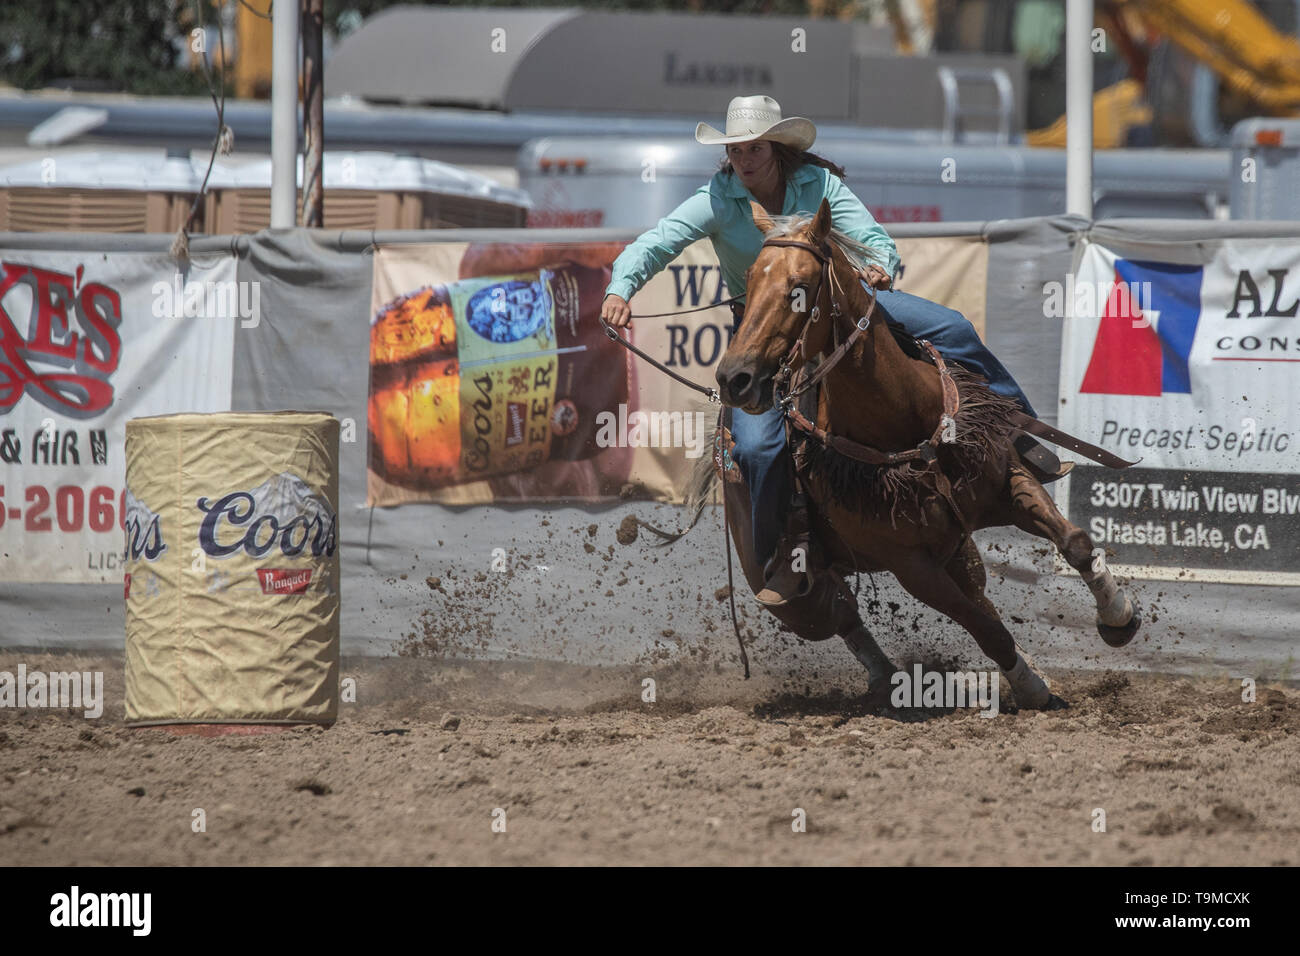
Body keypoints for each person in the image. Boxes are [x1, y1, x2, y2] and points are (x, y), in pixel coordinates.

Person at [600, 94, 1061, 607]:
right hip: (767, 335)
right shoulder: (715, 198)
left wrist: (880, 265)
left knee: (952, 326)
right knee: (756, 447)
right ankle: (784, 550)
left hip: (841, 311)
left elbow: (871, 238)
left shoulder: (819, 185)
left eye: (754, 148)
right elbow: (656, 243)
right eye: (736, 150)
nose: (745, 159)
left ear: (776, 148)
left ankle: (1021, 431)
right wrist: (621, 289)